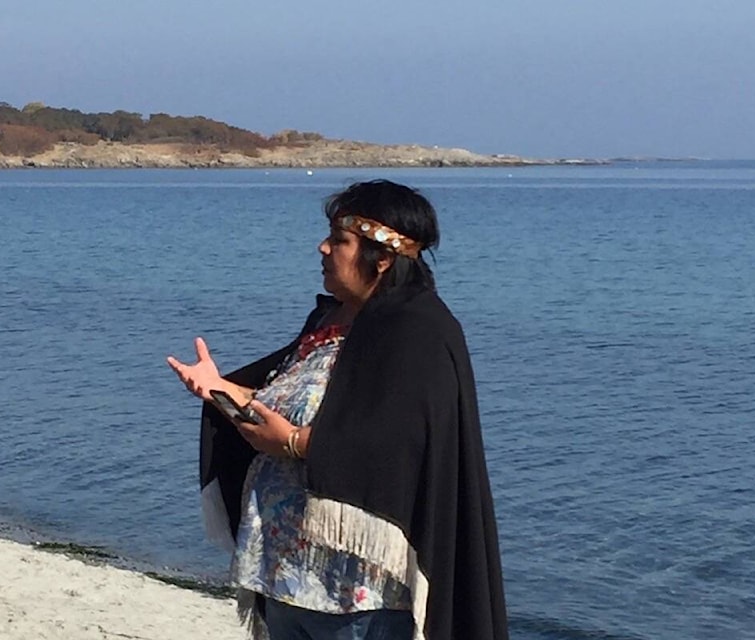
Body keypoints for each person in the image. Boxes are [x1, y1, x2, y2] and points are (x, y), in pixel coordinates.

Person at [167, 180, 508, 640]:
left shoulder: (420, 332)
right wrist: (222, 390)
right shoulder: (328, 321)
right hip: (287, 577)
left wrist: (291, 443)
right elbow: (275, 408)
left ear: (382, 257)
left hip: (359, 596)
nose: (323, 248)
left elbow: (399, 444)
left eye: (340, 240)